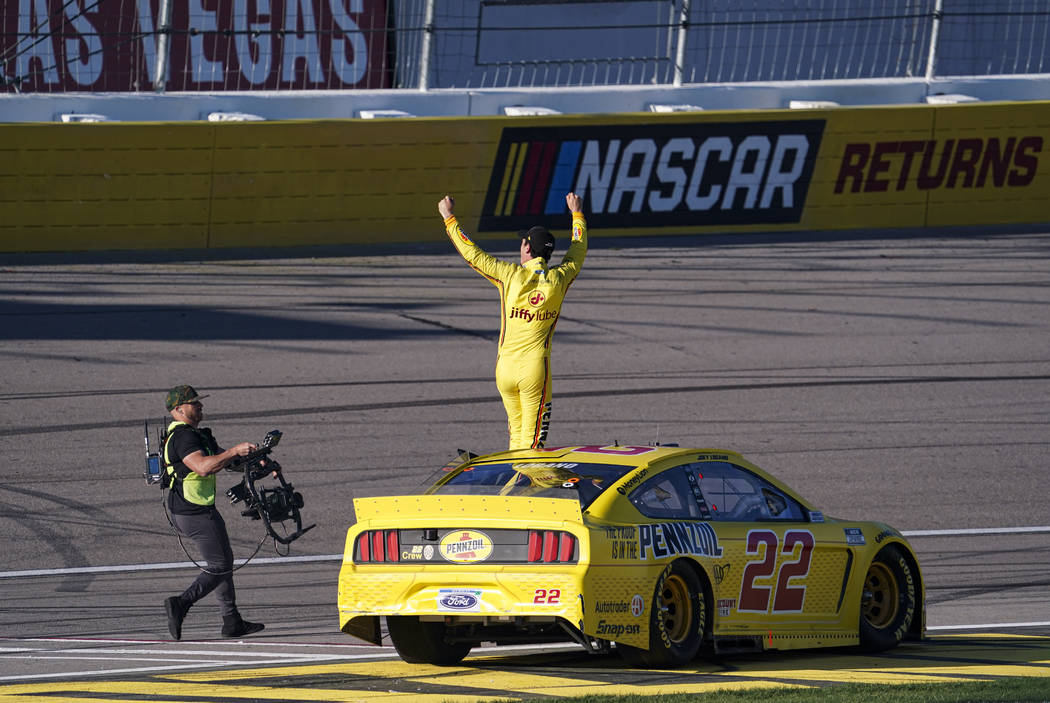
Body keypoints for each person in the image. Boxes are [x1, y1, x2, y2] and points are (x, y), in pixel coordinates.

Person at [439, 193, 587, 450]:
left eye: (522, 243)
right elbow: (578, 250)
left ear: (528, 248)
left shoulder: (509, 275)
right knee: (532, 447)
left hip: (504, 369)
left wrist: (449, 219)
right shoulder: (560, 279)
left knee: (516, 441)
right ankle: (522, 485)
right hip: (534, 372)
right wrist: (577, 215)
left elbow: (473, 255)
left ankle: (512, 482)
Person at [161, 384, 265, 640]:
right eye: (194, 403)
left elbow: (224, 461)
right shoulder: (183, 437)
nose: (200, 406)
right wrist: (233, 451)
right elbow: (203, 467)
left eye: (199, 402)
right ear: (179, 409)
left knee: (222, 561)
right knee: (220, 564)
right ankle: (181, 603)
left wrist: (257, 460)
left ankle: (232, 621)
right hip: (192, 511)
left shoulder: (199, 435)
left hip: (198, 507)